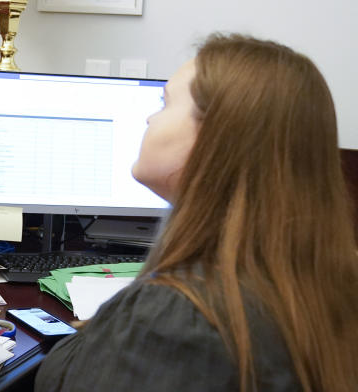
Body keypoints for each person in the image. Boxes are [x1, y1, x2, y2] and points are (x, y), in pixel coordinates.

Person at [34, 34, 358, 391]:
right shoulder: (315, 285)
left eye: (164, 102)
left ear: (217, 135)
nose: (149, 118)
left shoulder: (177, 320)